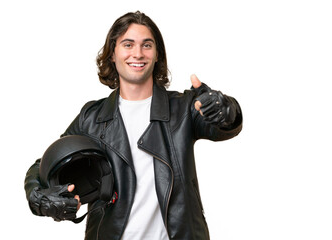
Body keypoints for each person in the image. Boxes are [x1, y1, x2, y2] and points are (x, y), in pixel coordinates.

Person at [24, 11, 242, 240]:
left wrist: (224, 109)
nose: (137, 54)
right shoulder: (92, 117)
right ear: (113, 54)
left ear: (157, 55)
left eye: (147, 45)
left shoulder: (185, 108)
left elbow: (226, 126)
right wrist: (39, 197)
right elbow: (44, 166)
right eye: (128, 44)